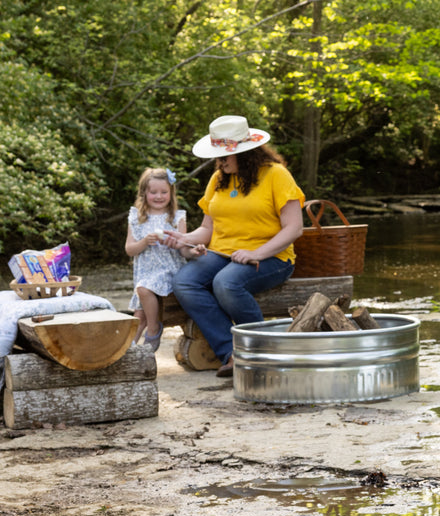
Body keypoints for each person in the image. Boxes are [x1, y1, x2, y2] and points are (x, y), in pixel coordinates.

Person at [168, 115, 305, 377]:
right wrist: (182, 239)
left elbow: (294, 228)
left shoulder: (276, 175)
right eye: (216, 155)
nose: (218, 161)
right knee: (185, 281)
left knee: (226, 282)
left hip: (272, 256)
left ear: (246, 152)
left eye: (224, 155)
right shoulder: (219, 178)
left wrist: (256, 253)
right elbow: (207, 229)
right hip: (223, 253)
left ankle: (260, 352)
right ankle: (231, 353)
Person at [124, 168, 187, 351]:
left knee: (143, 289)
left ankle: (154, 329)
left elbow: (184, 249)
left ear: (171, 193)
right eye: (153, 192)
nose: (159, 196)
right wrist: (144, 242)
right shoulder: (137, 217)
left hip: (168, 270)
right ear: (144, 193)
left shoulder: (176, 217)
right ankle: (129, 350)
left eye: (164, 192)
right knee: (139, 315)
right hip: (145, 272)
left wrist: (176, 243)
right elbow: (129, 249)